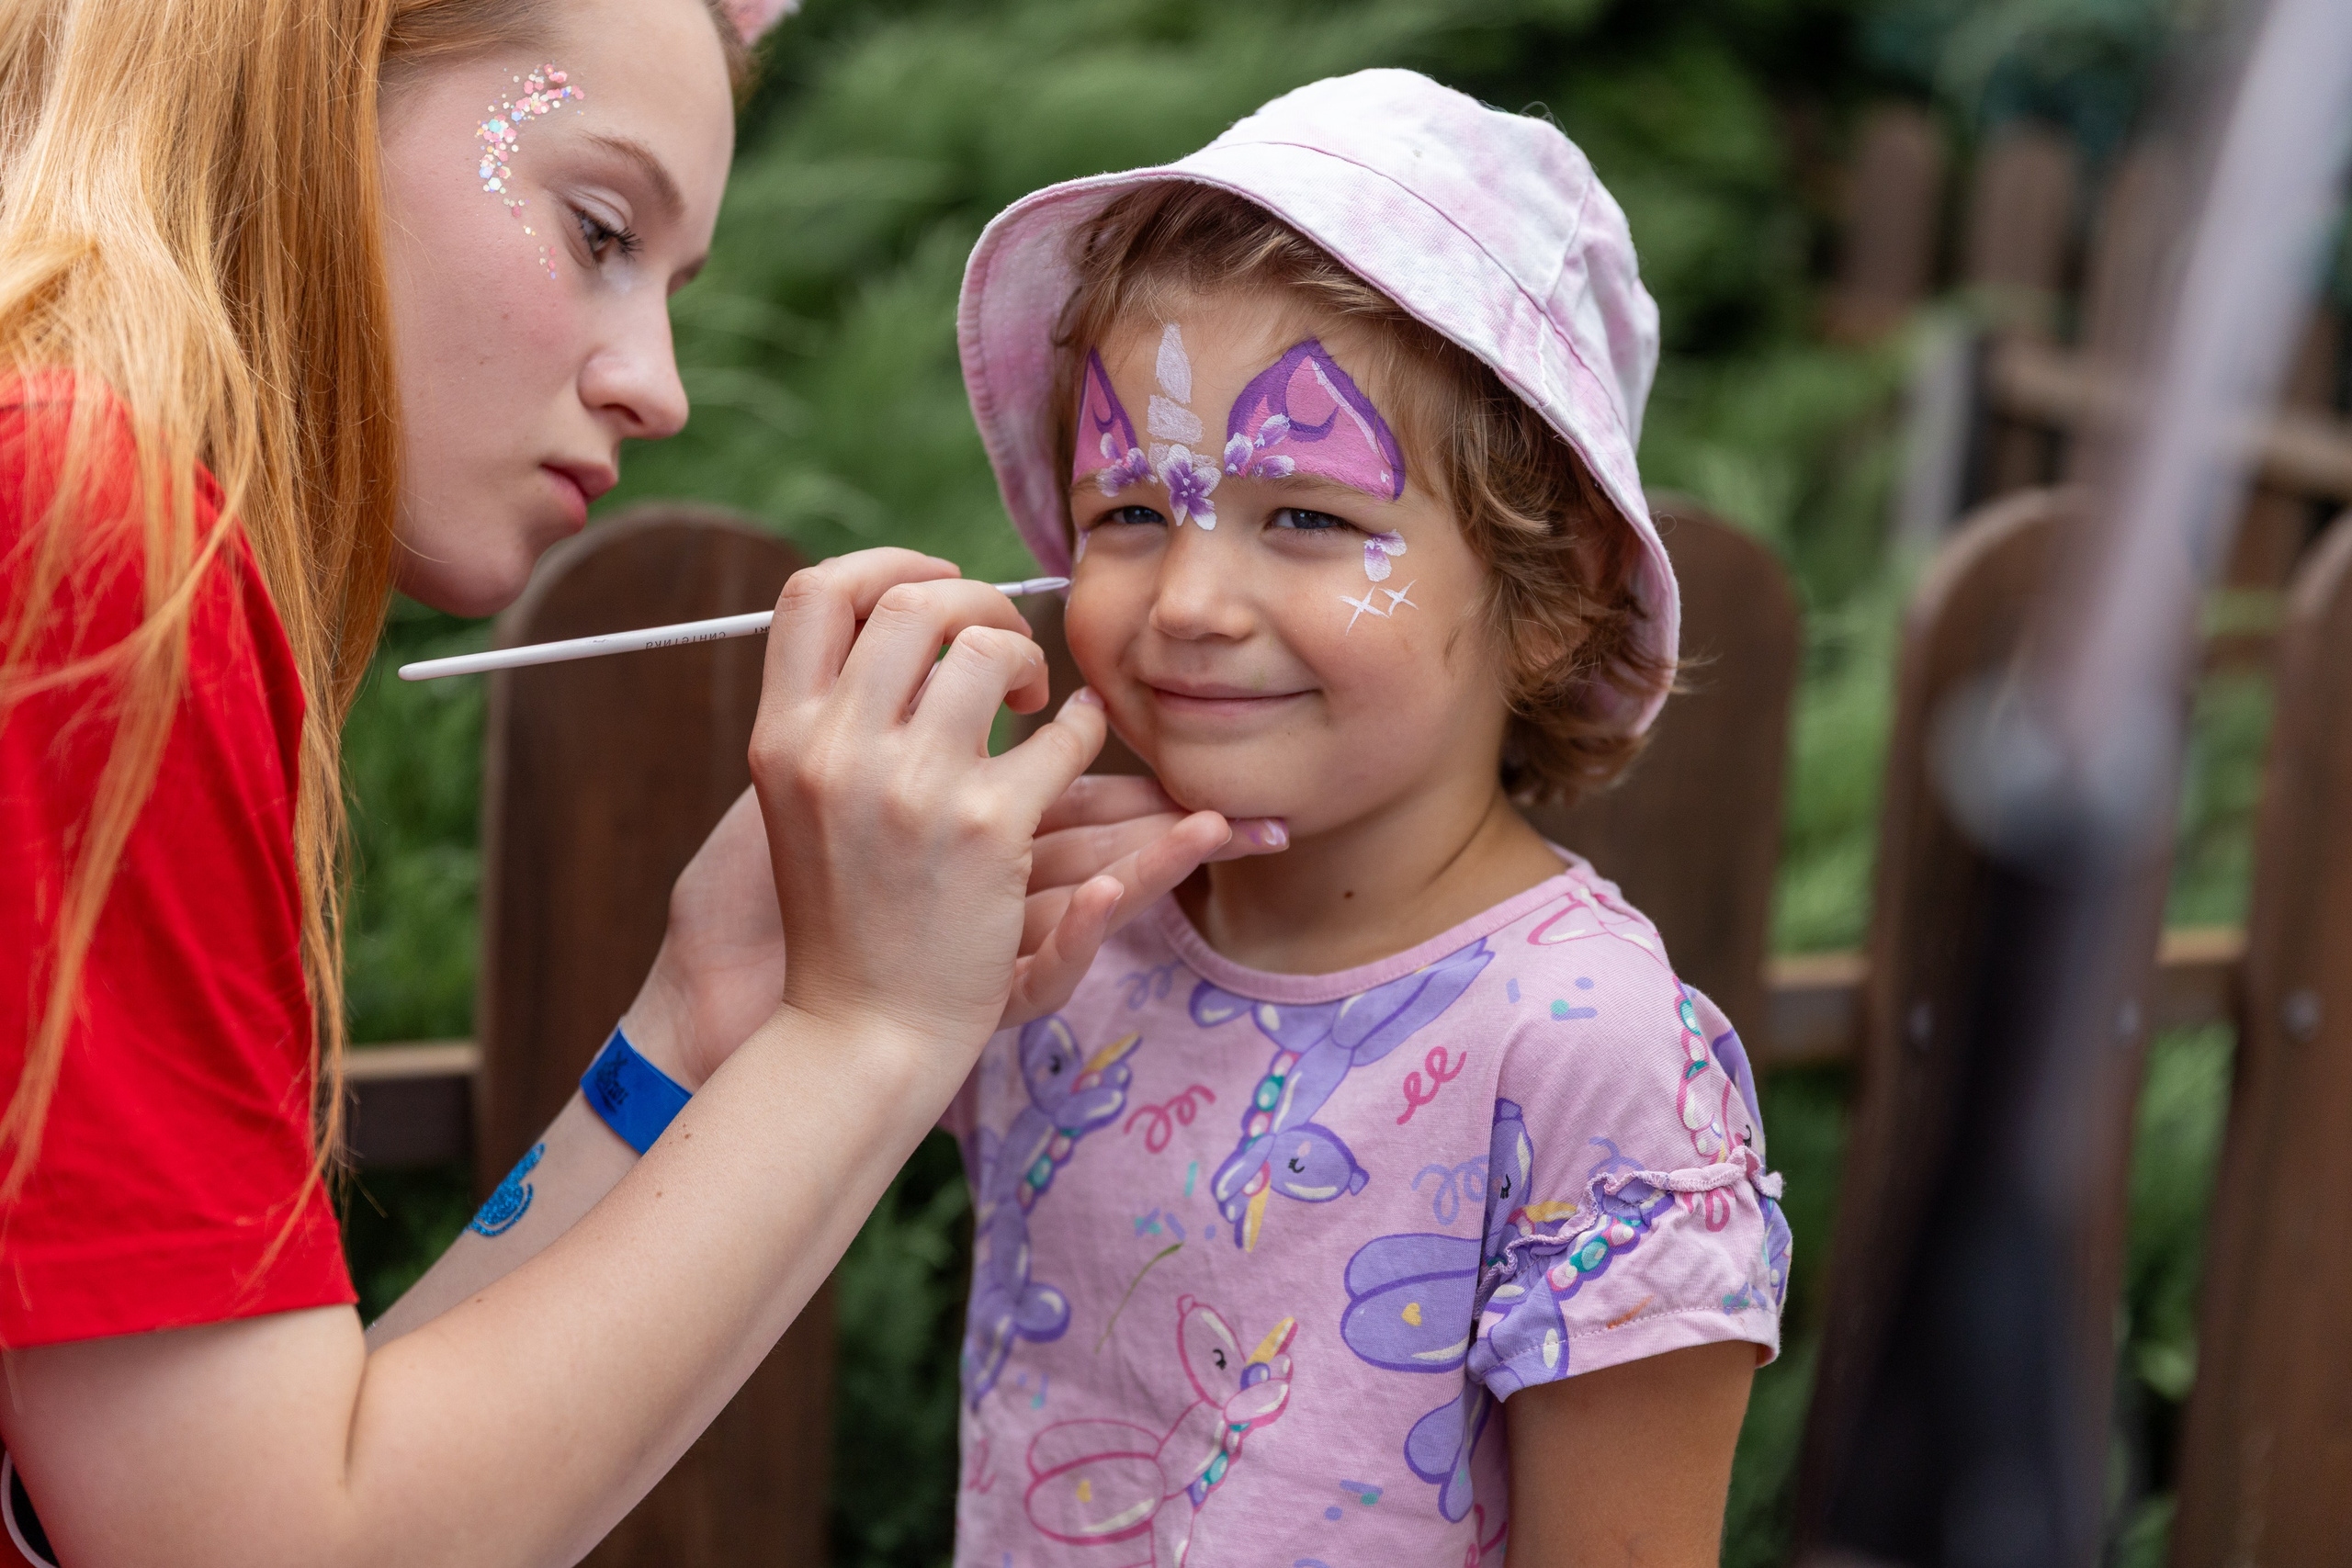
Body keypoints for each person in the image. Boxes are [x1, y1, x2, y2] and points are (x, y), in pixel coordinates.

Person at [0, 1, 1285, 1563]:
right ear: (305, 76)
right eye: (598, 226)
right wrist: (873, 1027)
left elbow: (295, 1465)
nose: (659, 388)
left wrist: (702, 1016)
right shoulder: (85, 529)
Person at [943, 71, 1792, 1567]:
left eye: (1311, 519)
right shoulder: (1061, 929)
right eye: (1130, 512)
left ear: (1558, 590)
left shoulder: (1590, 1056)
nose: (1191, 603)